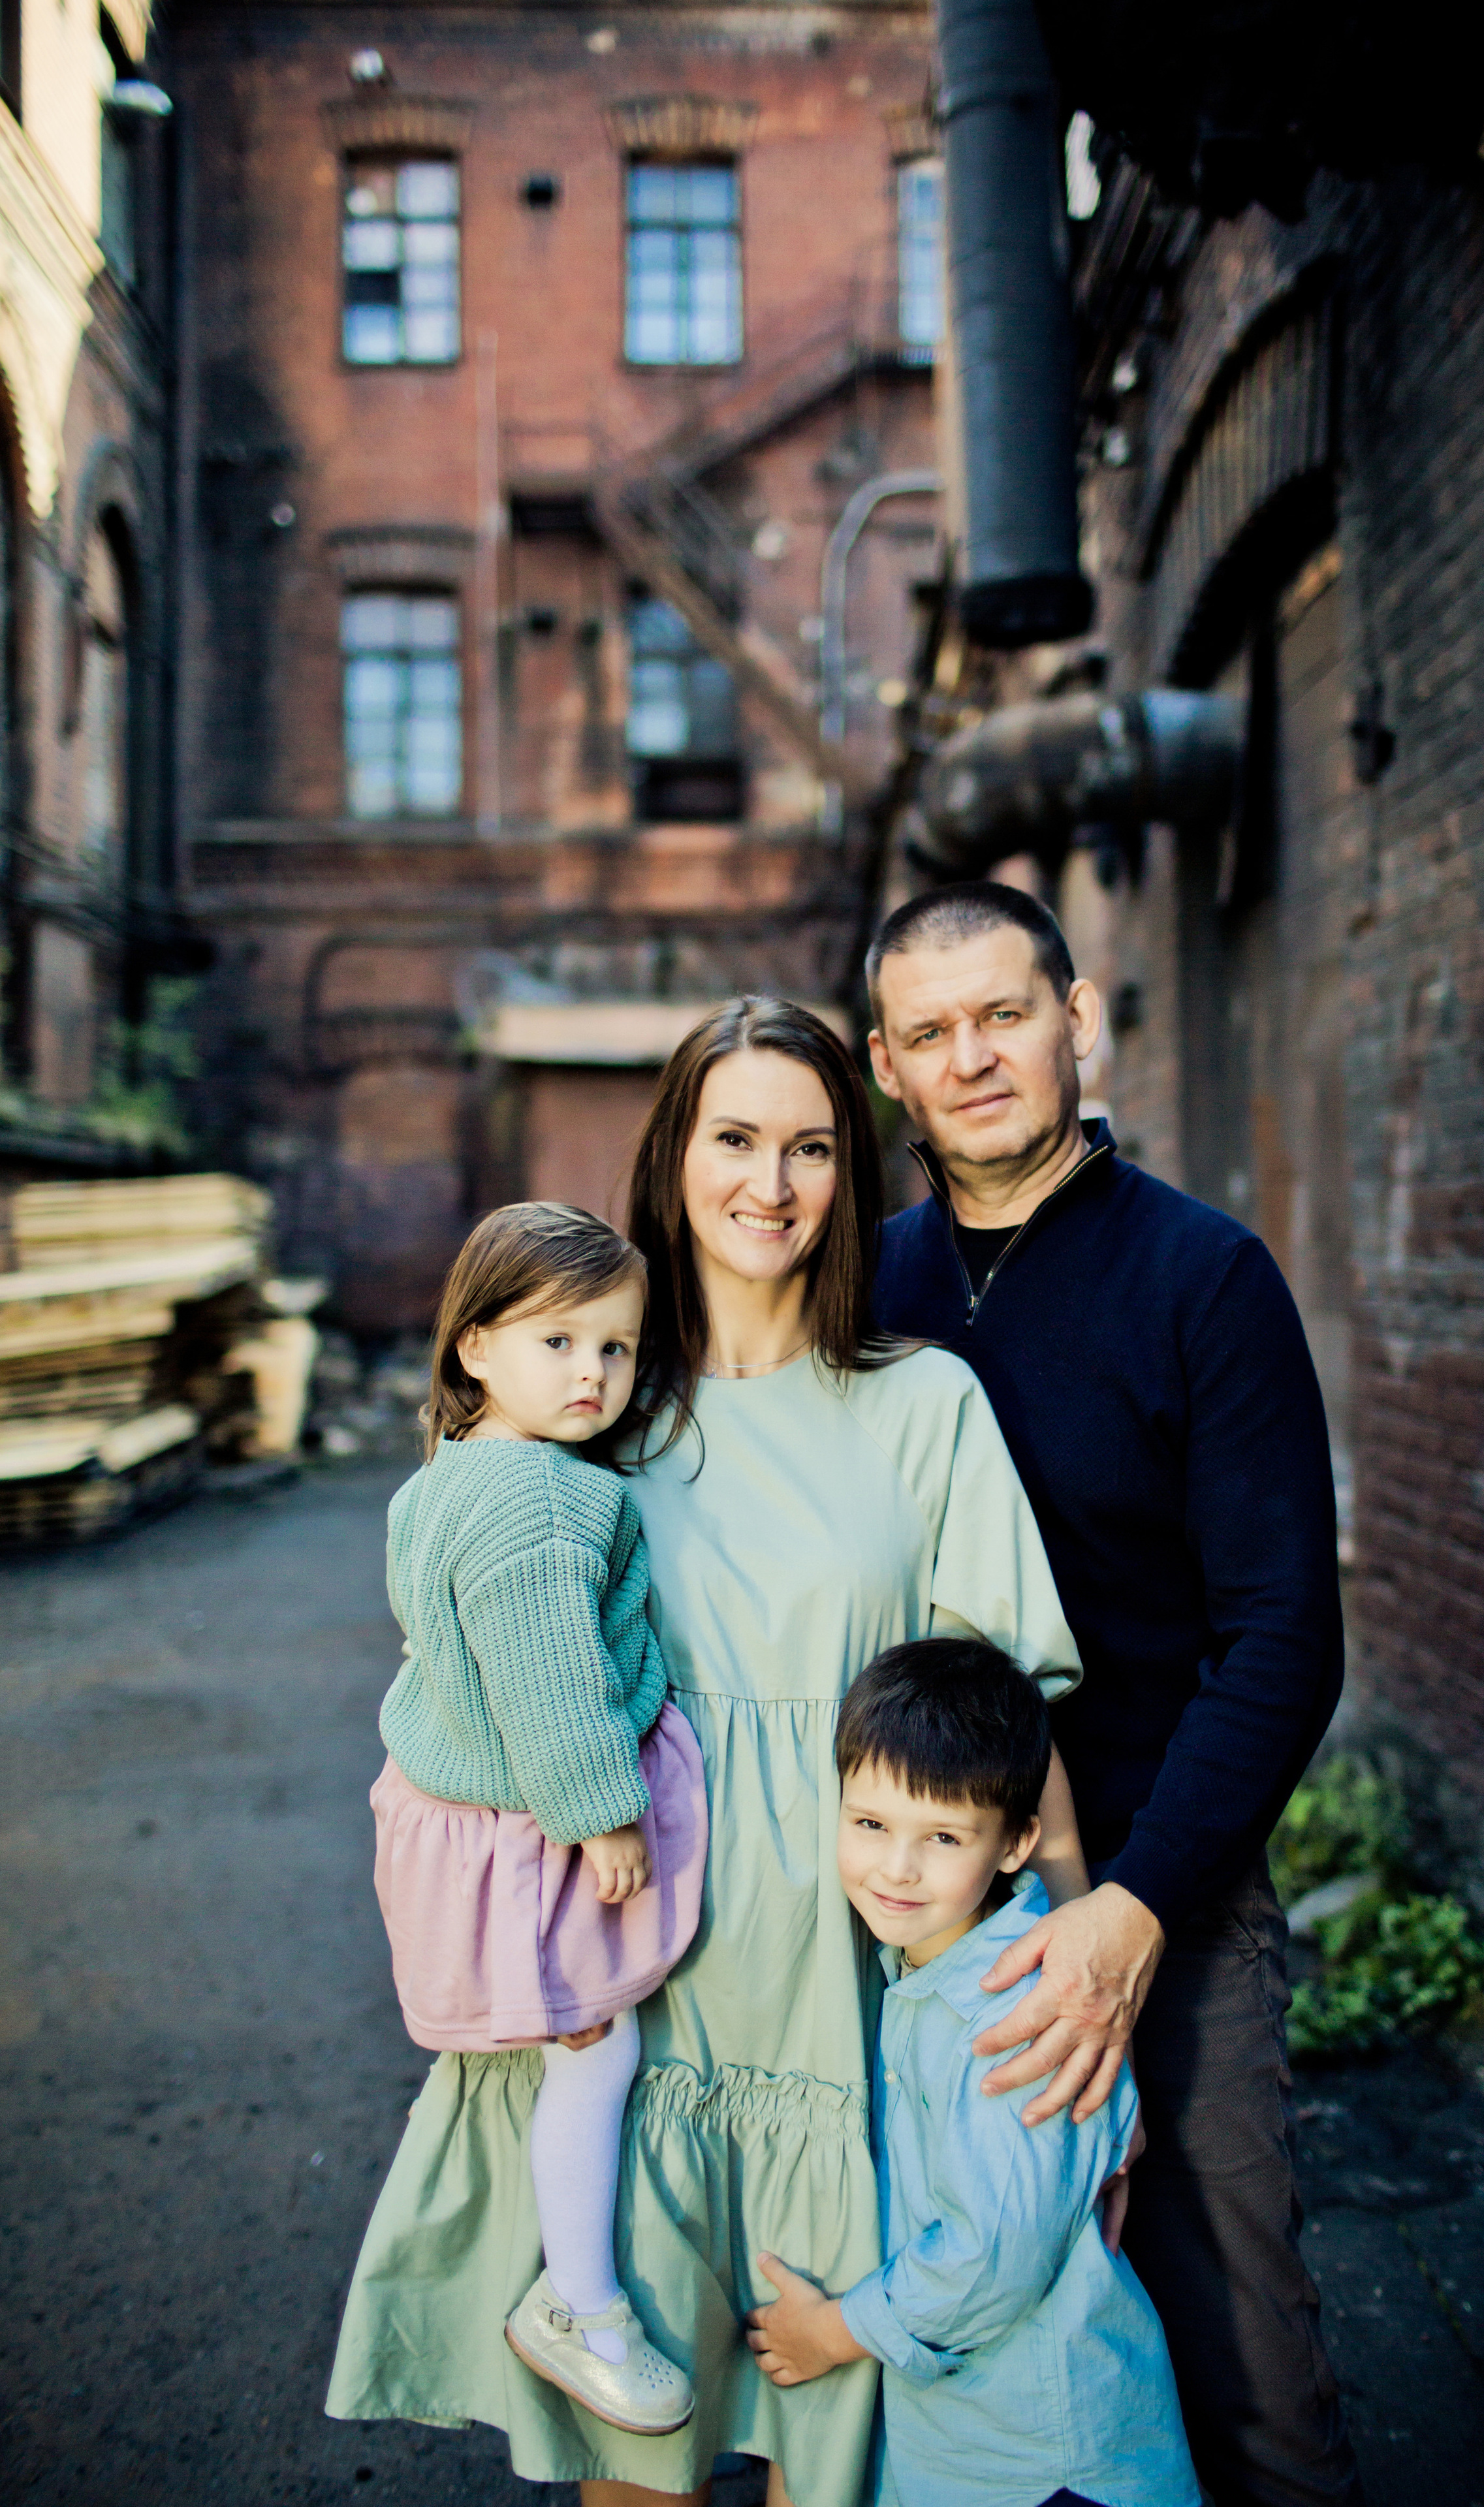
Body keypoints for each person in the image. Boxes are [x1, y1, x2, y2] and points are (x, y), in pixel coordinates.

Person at [326, 998, 1084, 2507]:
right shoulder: (585, 1405)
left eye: (811, 1146)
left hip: (839, 1983)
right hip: (635, 1976)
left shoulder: (921, 1401)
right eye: (734, 1138)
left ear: (848, 1178)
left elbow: (1002, 1721)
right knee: (638, 2462)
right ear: (673, 1158)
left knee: (833, 2457)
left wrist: (1067, 1960)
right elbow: (467, 1678)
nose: (771, 1181)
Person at [868, 883, 1363, 2507]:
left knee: (1237, 2356)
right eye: (931, 1033)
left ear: (1076, 1019)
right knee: (948, 2344)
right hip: (910, 1911)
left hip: (1165, 1886)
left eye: (1003, 1014)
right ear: (886, 1067)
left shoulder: (1201, 1281)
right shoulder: (861, 1292)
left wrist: (1140, 1903)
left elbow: (1283, 1636)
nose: (975, 1057)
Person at [328, 1203, 708, 2439]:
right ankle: (582, 2304)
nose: (594, 1375)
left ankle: (577, 2292)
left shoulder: (452, 1476)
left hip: (470, 1813)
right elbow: (549, 1682)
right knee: (598, 2052)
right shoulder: (543, 1500)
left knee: (580, 2054)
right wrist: (607, 1816)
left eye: (616, 1349)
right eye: (559, 1343)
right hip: (535, 1829)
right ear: (475, 1346)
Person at [744, 1637, 1201, 2507]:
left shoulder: (1008, 2017)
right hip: (980, 2445)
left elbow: (995, 2251)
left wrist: (837, 2333)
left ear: (1016, 1843)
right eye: (870, 1823)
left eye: (944, 1836)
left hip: (1046, 2462)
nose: (897, 1868)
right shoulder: (927, 1964)